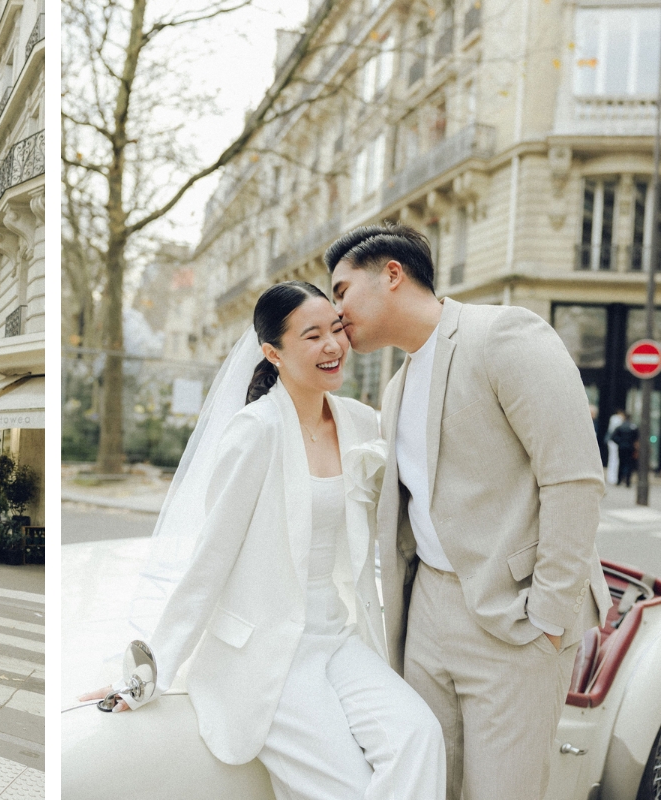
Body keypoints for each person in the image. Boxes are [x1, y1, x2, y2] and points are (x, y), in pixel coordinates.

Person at [81, 282, 445, 798]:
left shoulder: (362, 423)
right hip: (269, 653)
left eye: (336, 329)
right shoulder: (254, 433)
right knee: (348, 786)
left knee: (419, 737)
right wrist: (147, 675)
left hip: (339, 639)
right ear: (272, 353)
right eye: (312, 335)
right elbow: (209, 564)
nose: (332, 345)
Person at [327, 223, 611, 800]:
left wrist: (549, 617)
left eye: (340, 290)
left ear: (391, 273)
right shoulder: (395, 387)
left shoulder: (503, 334)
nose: (336, 313)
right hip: (426, 616)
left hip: (516, 619)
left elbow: (575, 477)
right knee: (433, 788)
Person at [611, 412, 639, 488]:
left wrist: (619, 442)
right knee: (629, 464)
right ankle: (627, 482)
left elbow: (613, 437)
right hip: (630, 448)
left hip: (622, 447)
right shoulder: (633, 427)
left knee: (621, 463)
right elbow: (637, 439)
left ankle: (619, 480)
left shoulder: (620, 427)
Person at [605, 409, 625, 484]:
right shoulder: (617, 419)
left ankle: (612, 478)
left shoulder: (613, 419)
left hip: (612, 441)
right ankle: (612, 478)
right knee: (614, 459)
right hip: (614, 441)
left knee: (613, 459)